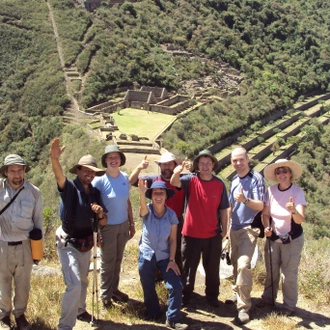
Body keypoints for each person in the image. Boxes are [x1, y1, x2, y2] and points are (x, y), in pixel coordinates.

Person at [50, 138, 108, 330]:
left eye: (92, 171)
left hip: (86, 242)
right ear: (79, 171)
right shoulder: (69, 188)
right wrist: (54, 159)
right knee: (74, 283)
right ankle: (65, 326)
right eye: (86, 170)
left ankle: (80, 309)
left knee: (82, 280)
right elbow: (59, 176)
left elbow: (104, 221)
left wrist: (100, 213)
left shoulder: (95, 192)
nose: (89, 174)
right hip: (68, 241)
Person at [170, 149, 229, 308]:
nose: (205, 166)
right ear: (197, 166)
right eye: (202, 163)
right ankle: (185, 295)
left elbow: (224, 208)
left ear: (213, 165)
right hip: (191, 234)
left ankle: (212, 296)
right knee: (188, 268)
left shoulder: (219, 184)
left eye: (208, 163)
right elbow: (174, 182)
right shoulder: (190, 180)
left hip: (212, 234)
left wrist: (225, 229)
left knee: (212, 268)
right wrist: (178, 171)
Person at [138, 179, 188, 330]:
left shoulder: (172, 215)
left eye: (162, 192)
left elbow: (173, 239)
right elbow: (141, 210)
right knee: (148, 284)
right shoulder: (146, 210)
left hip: (165, 255)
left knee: (176, 286)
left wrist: (172, 260)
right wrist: (141, 193)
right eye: (155, 193)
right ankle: (153, 311)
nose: (158, 195)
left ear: (166, 196)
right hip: (146, 253)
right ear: (151, 195)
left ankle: (172, 318)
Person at [0, 154, 43, 330]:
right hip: (2, 244)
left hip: (25, 245)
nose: (17, 175)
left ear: (24, 170)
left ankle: (20, 315)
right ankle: (4, 315)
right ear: (6, 172)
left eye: (19, 170)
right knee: (2, 283)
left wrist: (37, 251)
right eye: (12, 171)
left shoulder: (34, 192)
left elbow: (38, 222)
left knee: (23, 284)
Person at [259, 159, 306, 316]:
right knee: (272, 271)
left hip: (292, 240)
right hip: (274, 238)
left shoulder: (297, 192)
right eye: (278, 172)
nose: (281, 174)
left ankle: (289, 306)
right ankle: (268, 299)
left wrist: (293, 210)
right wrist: (266, 226)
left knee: (289, 275)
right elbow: (265, 214)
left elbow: (300, 219)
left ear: (290, 173)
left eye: (284, 171)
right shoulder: (270, 191)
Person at [225, 146, 265, 324]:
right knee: (234, 263)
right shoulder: (234, 180)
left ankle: (243, 308)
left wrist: (246, 200)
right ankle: (236, 292)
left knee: (243, 265)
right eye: (234, 160)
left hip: (249, 228)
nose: (238, 163)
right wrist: (226, 229)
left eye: (241, 159)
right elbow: (230, 206)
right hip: (234, 228)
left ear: (248, 159)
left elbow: (261, 205)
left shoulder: (256, 179)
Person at [129, 152, 189, 273]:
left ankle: (174, 277)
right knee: (155, 249)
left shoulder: (182, 180)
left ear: (174, 165)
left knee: (176, 250)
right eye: (164, 164)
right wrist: (139, 167)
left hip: (176, 221)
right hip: (154, 220)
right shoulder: (153, 180)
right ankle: (157, 277)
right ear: (160, 166)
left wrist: (192, 168)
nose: (167, 167)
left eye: (169, 164)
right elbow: (132, 181)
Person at [93, 144, 135, 308]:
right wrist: (98, 232)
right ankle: (105, 296)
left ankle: (114, 289)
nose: (113, 160)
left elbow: (127, 201)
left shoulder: (124, 177)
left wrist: (131, 223)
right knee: (107, 262)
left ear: (120, 160)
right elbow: (94, 208)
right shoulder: (99, 181)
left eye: (116, 157)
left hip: (123, 225)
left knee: (117, 260)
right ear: (105, 160)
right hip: (107, 227)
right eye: (110, 157)